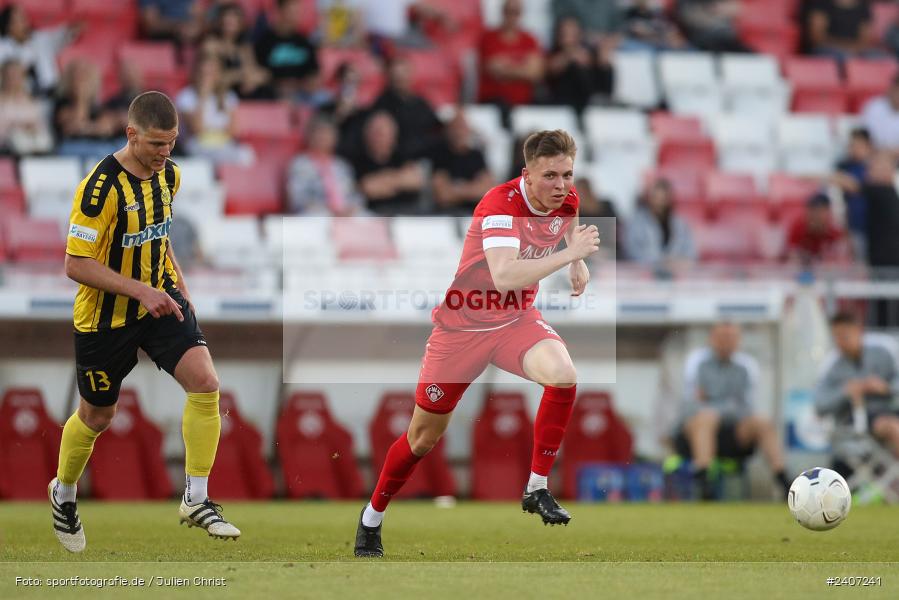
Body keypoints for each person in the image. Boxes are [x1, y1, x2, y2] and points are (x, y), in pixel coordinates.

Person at [354, 129, 600, 557]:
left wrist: (577, 263)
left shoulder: (569, 199)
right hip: (461, 330)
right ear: (527, 174)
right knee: (421, 439)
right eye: (550, 176)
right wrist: (569, 256)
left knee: (563, 375)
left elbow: (568, 230)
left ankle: (536, 487)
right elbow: (504, 276)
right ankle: (371, 517)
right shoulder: (500, 207)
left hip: (515, 322)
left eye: (567, 174)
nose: (560, 186)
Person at [49, 91, 240, 553]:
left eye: (172, 143)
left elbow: (159, 238)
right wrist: (142, 291)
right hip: (105, 318)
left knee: (206, 383)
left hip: (159, 301)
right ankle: (64, 493)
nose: (165, 154)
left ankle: (196, 499)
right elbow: (76, 264)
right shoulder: (98, 189)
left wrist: (179, 286)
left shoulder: (169, 177)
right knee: (98, 415)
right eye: (157, 144)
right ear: (130, 133)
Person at [673, 322, 791, 500]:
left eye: (731, 338)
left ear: (738, 341)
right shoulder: (697, 363)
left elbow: (747, 408)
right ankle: (704, 481)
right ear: (711, 339)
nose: (726, 342)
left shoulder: (746, 366)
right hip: (695, 433)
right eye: (721, 337)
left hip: (733, 433)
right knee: (707, 418)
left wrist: (713, 402)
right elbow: (690, 406)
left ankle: (783, 479)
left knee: (762, 422)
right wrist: (726, 406)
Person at [815, 311, 899, 458]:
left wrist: (885, 387)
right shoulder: (832, 365)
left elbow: (895, 381)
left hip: (889, 409)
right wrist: (846, 391)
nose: (840, 342)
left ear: (859, 331)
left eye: (845, 336)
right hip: (854, 422)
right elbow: (820, 405)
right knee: (891, 426)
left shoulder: (883, 352)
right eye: (836, 337)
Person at [175, 54, 254, 165]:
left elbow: (234, 131)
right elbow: (197, 129)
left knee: (247, 155)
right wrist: (202, 97)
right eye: (203, 73)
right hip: (198, 146)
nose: (206, 78)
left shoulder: (228, 96)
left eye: (211, 74)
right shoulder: (186, 96)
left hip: (222, 144)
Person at [350, 110, 425, 214]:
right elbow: (368, 188)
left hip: (407, 214)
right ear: (365, 135)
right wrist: (399, 179)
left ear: (393, 135)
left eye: (382, 133)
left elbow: (415, 181)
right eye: (374, 133)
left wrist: (383, 180)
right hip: (373, 216)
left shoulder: (403, 157)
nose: (377, 138)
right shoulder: (357, 161)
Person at [287, 115, 365, 215]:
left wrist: (351, 208)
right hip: (316, 214)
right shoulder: (300, 164)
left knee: (370, 219)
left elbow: (355, 195)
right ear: (309, 137)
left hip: (346, 214)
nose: (323, 137)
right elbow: (297, 199)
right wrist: (330, 209)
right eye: (319, 133)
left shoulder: (342, 166)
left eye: (328, 133)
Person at [370, 56, 443, 160]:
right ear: (389, 77)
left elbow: (435, 126)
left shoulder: (420, 102)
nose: (400, 79)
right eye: (396, 75)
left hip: (426, 156)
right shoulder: (382, 105)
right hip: (398, 160)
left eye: (403, 74)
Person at [478, 0, 543, 109]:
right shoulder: (488, 38)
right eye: (509, 11)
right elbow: (494, 69)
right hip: (493, 104)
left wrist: (507, 68)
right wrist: (523, 68)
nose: (512, 16)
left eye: (516, 12)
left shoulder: (529, 40)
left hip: (524, 105)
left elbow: (535, 74)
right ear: (503, 12)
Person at [254, 0, 322, 105]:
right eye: (291, 12)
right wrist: (277, 85)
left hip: (302, 93)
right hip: (273, 94)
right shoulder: (264, 42)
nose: (295, 16)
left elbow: (314, 73)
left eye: (297, 12)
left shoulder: (304, 42)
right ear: (280, 11)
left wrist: (300, 85)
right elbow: (259, 73)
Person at [0, 3, 78, 93]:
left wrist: (72, 28)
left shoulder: (40, 39)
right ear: (8, 26)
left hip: (51, 90)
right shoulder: (3, 47)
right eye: (18, 20)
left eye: (23, 18)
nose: (24, 23)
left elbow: (62, 35)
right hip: (22, 96)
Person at [201, 3, 271, 99]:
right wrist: (241, 75)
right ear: (219, 21)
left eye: (234, 17)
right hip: (216, 95)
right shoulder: (211, 45)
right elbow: (213, 78)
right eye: (227, 17)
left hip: (240, 95)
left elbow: (256, 72)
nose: (230, 20)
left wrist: (250, 81)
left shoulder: (244, 47)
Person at [545, 17, 614, 114]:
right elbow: (551, 69)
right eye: (565, 33)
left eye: (573, 33)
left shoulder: (588, 53)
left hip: (590, 103)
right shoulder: (552, 53)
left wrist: (601, 61)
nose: (569, 37)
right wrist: (570, 55)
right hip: (563, 103)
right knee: (576, 68)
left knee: (605, 66)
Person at [430, 111, 493, 215]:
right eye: (456, 128)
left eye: (462, 127)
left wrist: (457, 189)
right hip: (447, 215)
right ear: (448, 131)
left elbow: (489, 191)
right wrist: (473, 189)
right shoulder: (440, 155)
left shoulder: (476, 156)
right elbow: (443, 195)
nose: (459, 132)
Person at [624, 178, 696, 269]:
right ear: (649, 198)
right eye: (655, 198)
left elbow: (690, 253)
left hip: (676, 274)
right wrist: (661, 261)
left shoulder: (680, 224)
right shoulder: (635, 222)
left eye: (662, 199)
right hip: (645, 274)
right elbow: (632, 252)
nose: (658, 203)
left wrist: (678, 262)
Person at [832, 127, 873, 258]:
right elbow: (837, 197)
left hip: (874, 226)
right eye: (852, 144)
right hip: (853, 225)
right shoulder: (844, 167)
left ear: (868, 146)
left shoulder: (874, 168)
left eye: (858, 145)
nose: (854, 148)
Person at [0, 58, 53, 155]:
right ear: (3, 76)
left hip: (33, 143)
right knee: (18, 138)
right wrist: (17, 125)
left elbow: (41, 126)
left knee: (42, 140)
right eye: (10, 75)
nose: (13, 79)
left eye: (16, 75)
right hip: (7, 146)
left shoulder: (32, 101)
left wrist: (32, 127)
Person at [783, 192, 850, 265]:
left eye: (820, 211)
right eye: (812, 211)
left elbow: (842, 260)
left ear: (828, 212)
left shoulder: (835, 232)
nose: (816, 216)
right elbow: (790, 257)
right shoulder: (798, 228)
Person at [806, 0, 879, 60]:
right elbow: (817, 37)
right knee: (845, 57)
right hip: (827, 49)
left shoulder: (863, 5)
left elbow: (865, 39)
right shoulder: (821, 3)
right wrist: (846, 48)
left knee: (879, 57)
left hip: (855, 50)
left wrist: (853, 49)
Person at [861, 74, 899, 152]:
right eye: (897, 89)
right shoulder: (874, 107)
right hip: (872, 154)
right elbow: (864, 136)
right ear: (892, 88)